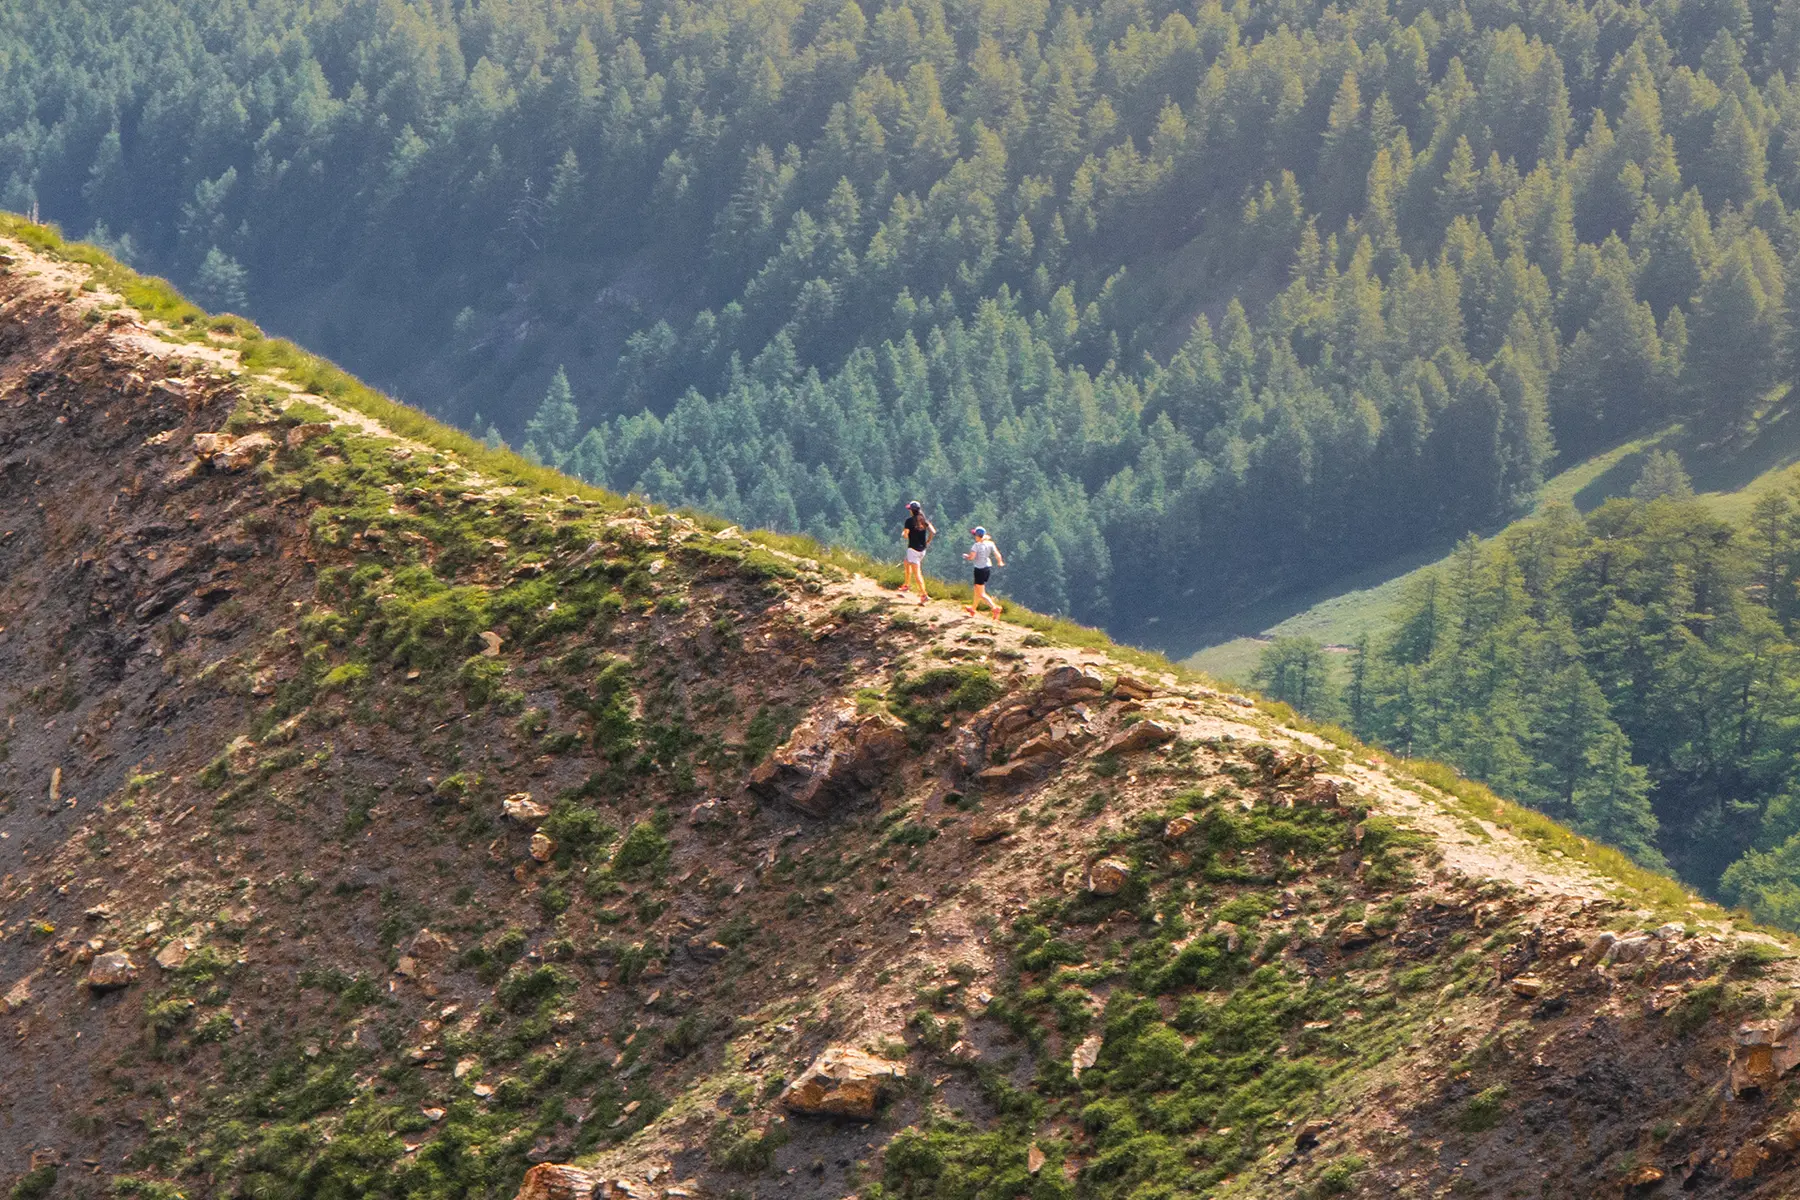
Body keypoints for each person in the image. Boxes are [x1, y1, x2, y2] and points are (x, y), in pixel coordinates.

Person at [898, 501, 935, 606]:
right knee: (906, 562)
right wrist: (928, 541)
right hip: (922, 550)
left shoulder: (909, 521)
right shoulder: (924, 519)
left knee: (917, 573)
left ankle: (924, 594)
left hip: (913, 549)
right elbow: (933, 532)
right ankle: (906, 584)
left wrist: (904, 534)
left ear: (911, 510)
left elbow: (905, 534)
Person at [963, 526, 1004, 616]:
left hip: (979, 570)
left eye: (975, 535)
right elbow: (997, 553)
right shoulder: (990, 544)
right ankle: (973, 608)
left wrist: (967, 556)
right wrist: (1000, 561)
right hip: (987, 568)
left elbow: (972, 557)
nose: (974, 536)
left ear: (977, 536)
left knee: (981, 593)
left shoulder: (976, 546)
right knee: (977, 589)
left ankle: (994, 608)